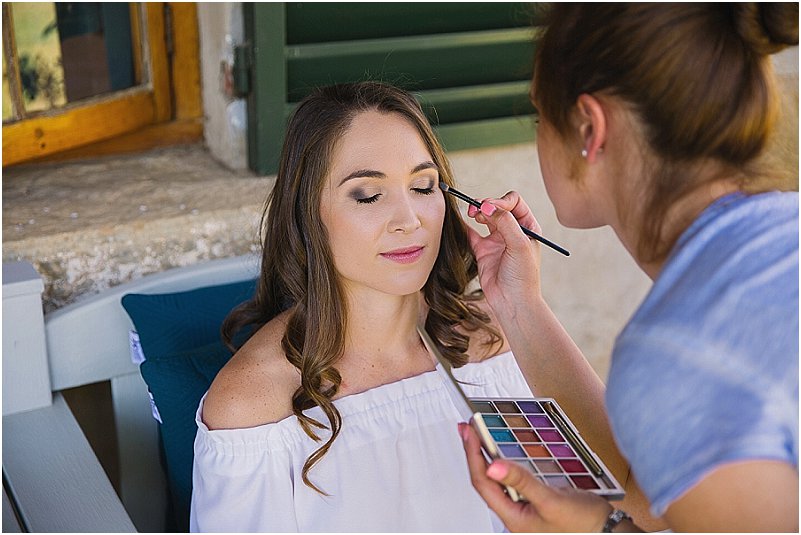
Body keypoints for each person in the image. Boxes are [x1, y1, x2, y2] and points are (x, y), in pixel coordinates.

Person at [190, 81, 658, 531]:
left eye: (423, 186)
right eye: (368, 194)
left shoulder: (491, 343)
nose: (409, 220)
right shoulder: (252, 406)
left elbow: (607, 505)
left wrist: (522, 305)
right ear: (306, 212)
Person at [459, 3, 799, 532]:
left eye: (537, 116)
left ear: (589, 127)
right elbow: (648, 490)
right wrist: (517, 304)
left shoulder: (679, 352)